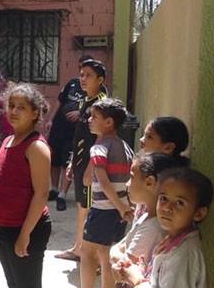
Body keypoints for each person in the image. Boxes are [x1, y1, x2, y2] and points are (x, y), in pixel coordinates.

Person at [0, 83, 52, 288]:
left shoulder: (36, 147)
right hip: (4, 227)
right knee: (13, 283)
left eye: (21, 107)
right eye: (11, 105)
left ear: (34, 113)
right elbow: (9, 184)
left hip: (27, 229)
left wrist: (25, 235)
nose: (13, 111)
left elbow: (41, 194)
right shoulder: (7, 141)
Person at [113, 167, 213, 288]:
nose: (167, 207)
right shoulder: (172, 241)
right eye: (163, 199)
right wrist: (139, 272)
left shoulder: (182, 254)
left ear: (199, 213)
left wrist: (138, 281)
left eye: (180, 203)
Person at [55, 58, 108, 262]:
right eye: (82, 74)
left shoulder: (100, 104)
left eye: (88, 75)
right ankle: (79, 247)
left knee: (88, 207)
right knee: (81, 206)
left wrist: (91, 167)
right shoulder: (87, 100)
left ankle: (87, 252)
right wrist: (72, 161)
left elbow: (101, 138)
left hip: (90, 163)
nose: (83, 79)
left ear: (100, 79)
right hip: (80, 159)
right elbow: (81, 136)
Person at [110, 153, 190, 284]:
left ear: (149, 182)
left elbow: (122, 267)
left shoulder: (153, 228)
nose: (127, 183)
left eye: (131, 177)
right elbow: (117, 250)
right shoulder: (146, 215)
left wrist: (117, 257)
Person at [79, 98, 134, 288]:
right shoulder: (125, 147)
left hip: (103, 209)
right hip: (119, 211)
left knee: (87, 253)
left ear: (109, 122)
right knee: (108, 254)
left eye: (94, 117)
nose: (89, 120)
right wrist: (124, 207)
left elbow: (100, 180)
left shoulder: (99, 148)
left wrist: (119, 207)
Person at [47, 54, 93, 211]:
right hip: (60, 126)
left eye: (87, 70)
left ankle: (62, 194)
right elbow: (59, 101)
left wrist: (80, 113)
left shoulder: (95, 89)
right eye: (81, 68)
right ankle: (53, 189)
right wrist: (51, 120)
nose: (83, 74)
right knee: (55, 158)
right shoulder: (72, 84)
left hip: (76, 131)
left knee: (68, 160)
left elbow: (95, 109)